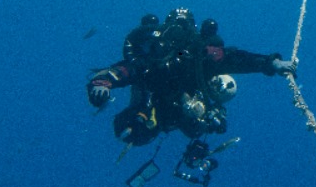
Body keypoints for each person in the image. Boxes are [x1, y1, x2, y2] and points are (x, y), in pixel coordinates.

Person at [87, 8, 295, 155]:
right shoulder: (152, 59)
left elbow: (235, 59)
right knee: (130, 130)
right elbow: (127, 69)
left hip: (181, 111)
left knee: (191, 125)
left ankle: (180, 118)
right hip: (156, 107)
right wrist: (103, 83)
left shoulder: (202, 54)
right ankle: (151, 119)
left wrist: (271, 63)